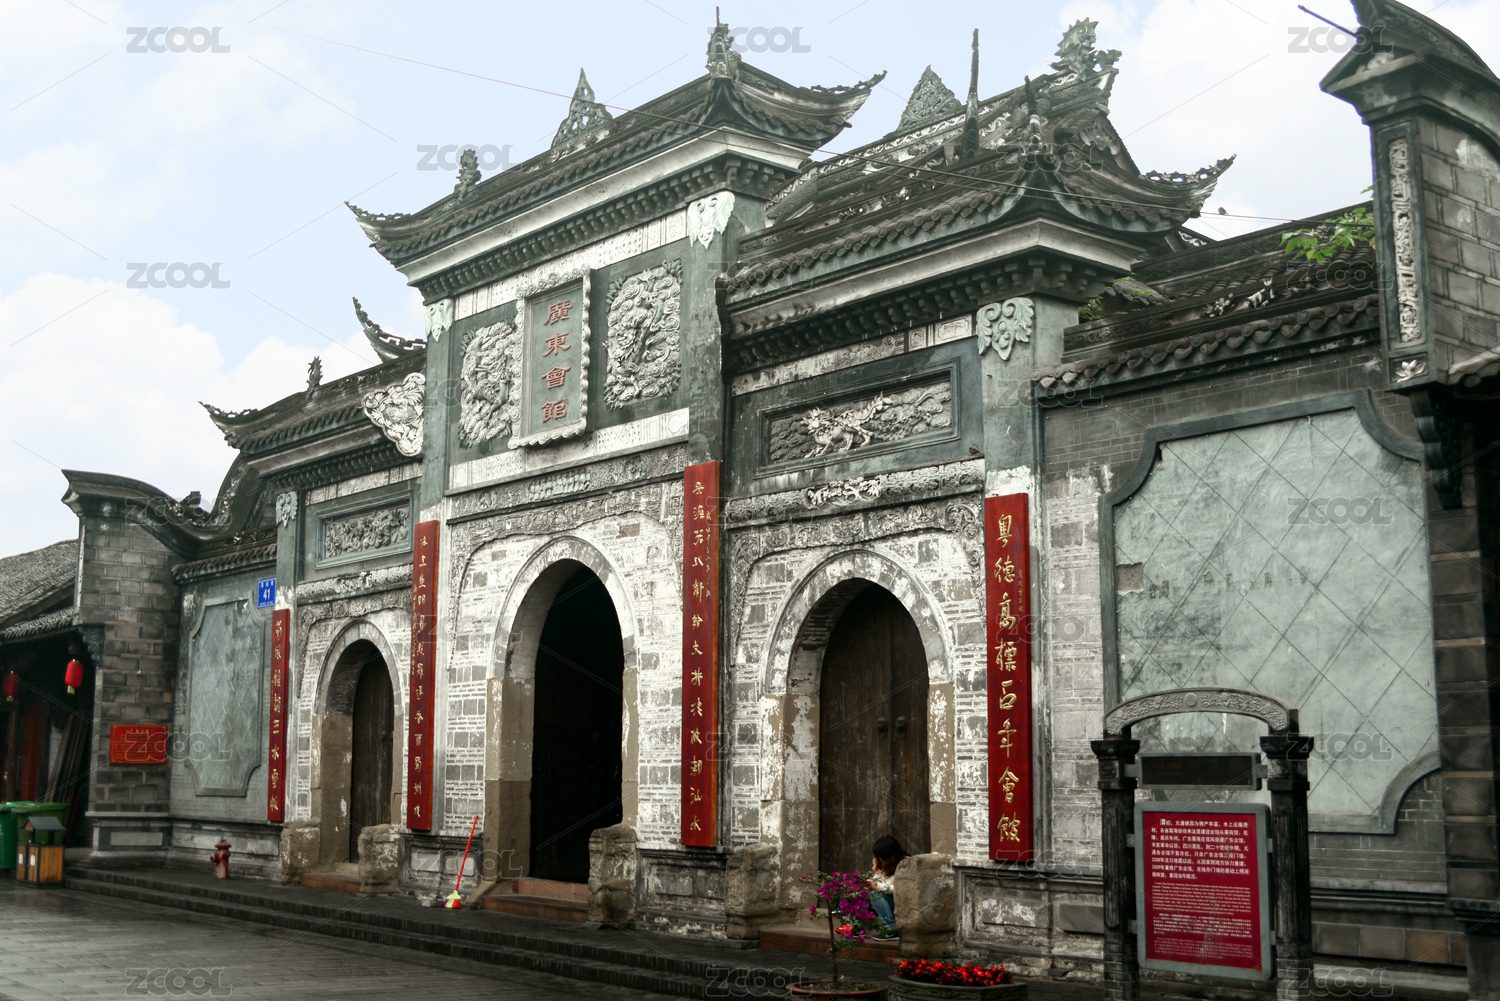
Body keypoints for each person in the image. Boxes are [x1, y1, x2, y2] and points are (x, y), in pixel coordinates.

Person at [869, 835, 907, 937]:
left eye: (882, 856)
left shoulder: (906, 865)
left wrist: (879, 886)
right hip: (886, 903)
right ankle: (857, 927)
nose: (880, 859)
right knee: (862, 895)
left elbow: (901, 890)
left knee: (875, 895)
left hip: (901, 903)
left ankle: (891, 929)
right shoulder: (884, 865)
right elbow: (877, 880)